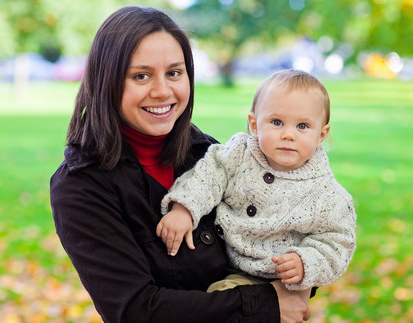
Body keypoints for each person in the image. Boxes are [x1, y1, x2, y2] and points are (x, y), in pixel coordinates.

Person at [50, 6, 312, 323]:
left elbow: (284, 243)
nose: (162, 91)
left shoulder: (212, 156)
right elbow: (135, 310)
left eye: (174, 73)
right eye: (141, 76)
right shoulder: (80, 186)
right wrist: (267, 304)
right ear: (107, 81)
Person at [158, 69, 357, 297]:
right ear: (254, 124)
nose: (288, 135)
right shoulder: (238, 155)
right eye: (276, 122)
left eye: (302, 126)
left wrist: (306, 262)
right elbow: (208, 176)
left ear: (322, 134)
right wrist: (184, 208)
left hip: (278, 279)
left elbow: (337, 242)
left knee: (221, 297)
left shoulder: (328, 196)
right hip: (223, 256)